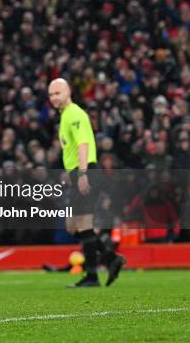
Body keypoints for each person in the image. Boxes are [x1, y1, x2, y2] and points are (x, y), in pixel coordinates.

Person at [48, 78, 125, 288]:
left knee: (81, 224)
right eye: (51, 94)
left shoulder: (74, 114)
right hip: (78, 173)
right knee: (74, 226)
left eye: (57, 92)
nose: (54, 97)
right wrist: (69, 172)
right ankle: (111, 259)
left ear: (68, 92)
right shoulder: (65, 116)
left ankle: (92, 276)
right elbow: (72, 148)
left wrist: (82, 174)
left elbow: (83, 144)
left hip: (87, 172)